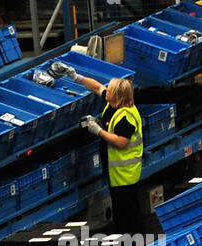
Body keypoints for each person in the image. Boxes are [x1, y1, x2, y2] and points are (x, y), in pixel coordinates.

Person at [53, 64, 144, 236]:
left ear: (117, 96)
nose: (105, 91)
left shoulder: (126, 116)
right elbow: (97, 87)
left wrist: (98, 130)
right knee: (123, 212)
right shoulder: (114, 104)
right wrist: (75, 77)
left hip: (125, 174)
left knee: (127, 215)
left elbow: (121, 142)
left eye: (109, 91)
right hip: (115, 172)